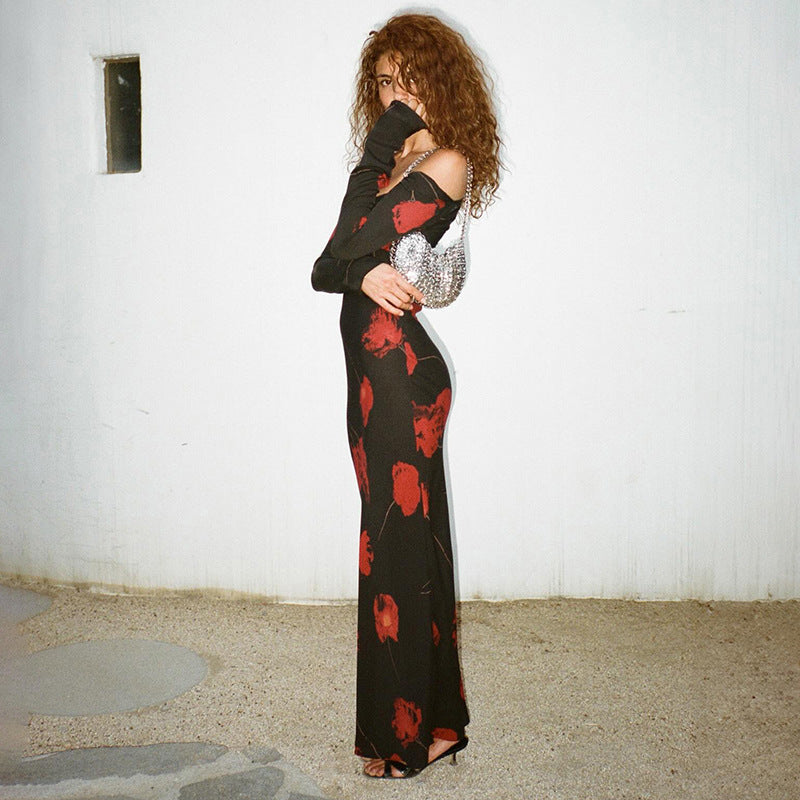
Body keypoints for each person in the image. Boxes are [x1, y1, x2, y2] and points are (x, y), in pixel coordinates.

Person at [311, 13, 501, 779]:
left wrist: (354, 265)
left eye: (410, 79)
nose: (396, 94)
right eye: (385, 82)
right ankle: (441, 725)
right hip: (370, 377)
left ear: (440, 82)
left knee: (395, 553)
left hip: (403, 377)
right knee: (400, 546)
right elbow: (333, 260)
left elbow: (344, 251)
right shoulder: (389, 166)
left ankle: (405, 740)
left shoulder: (447, 163)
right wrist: (383, 146)